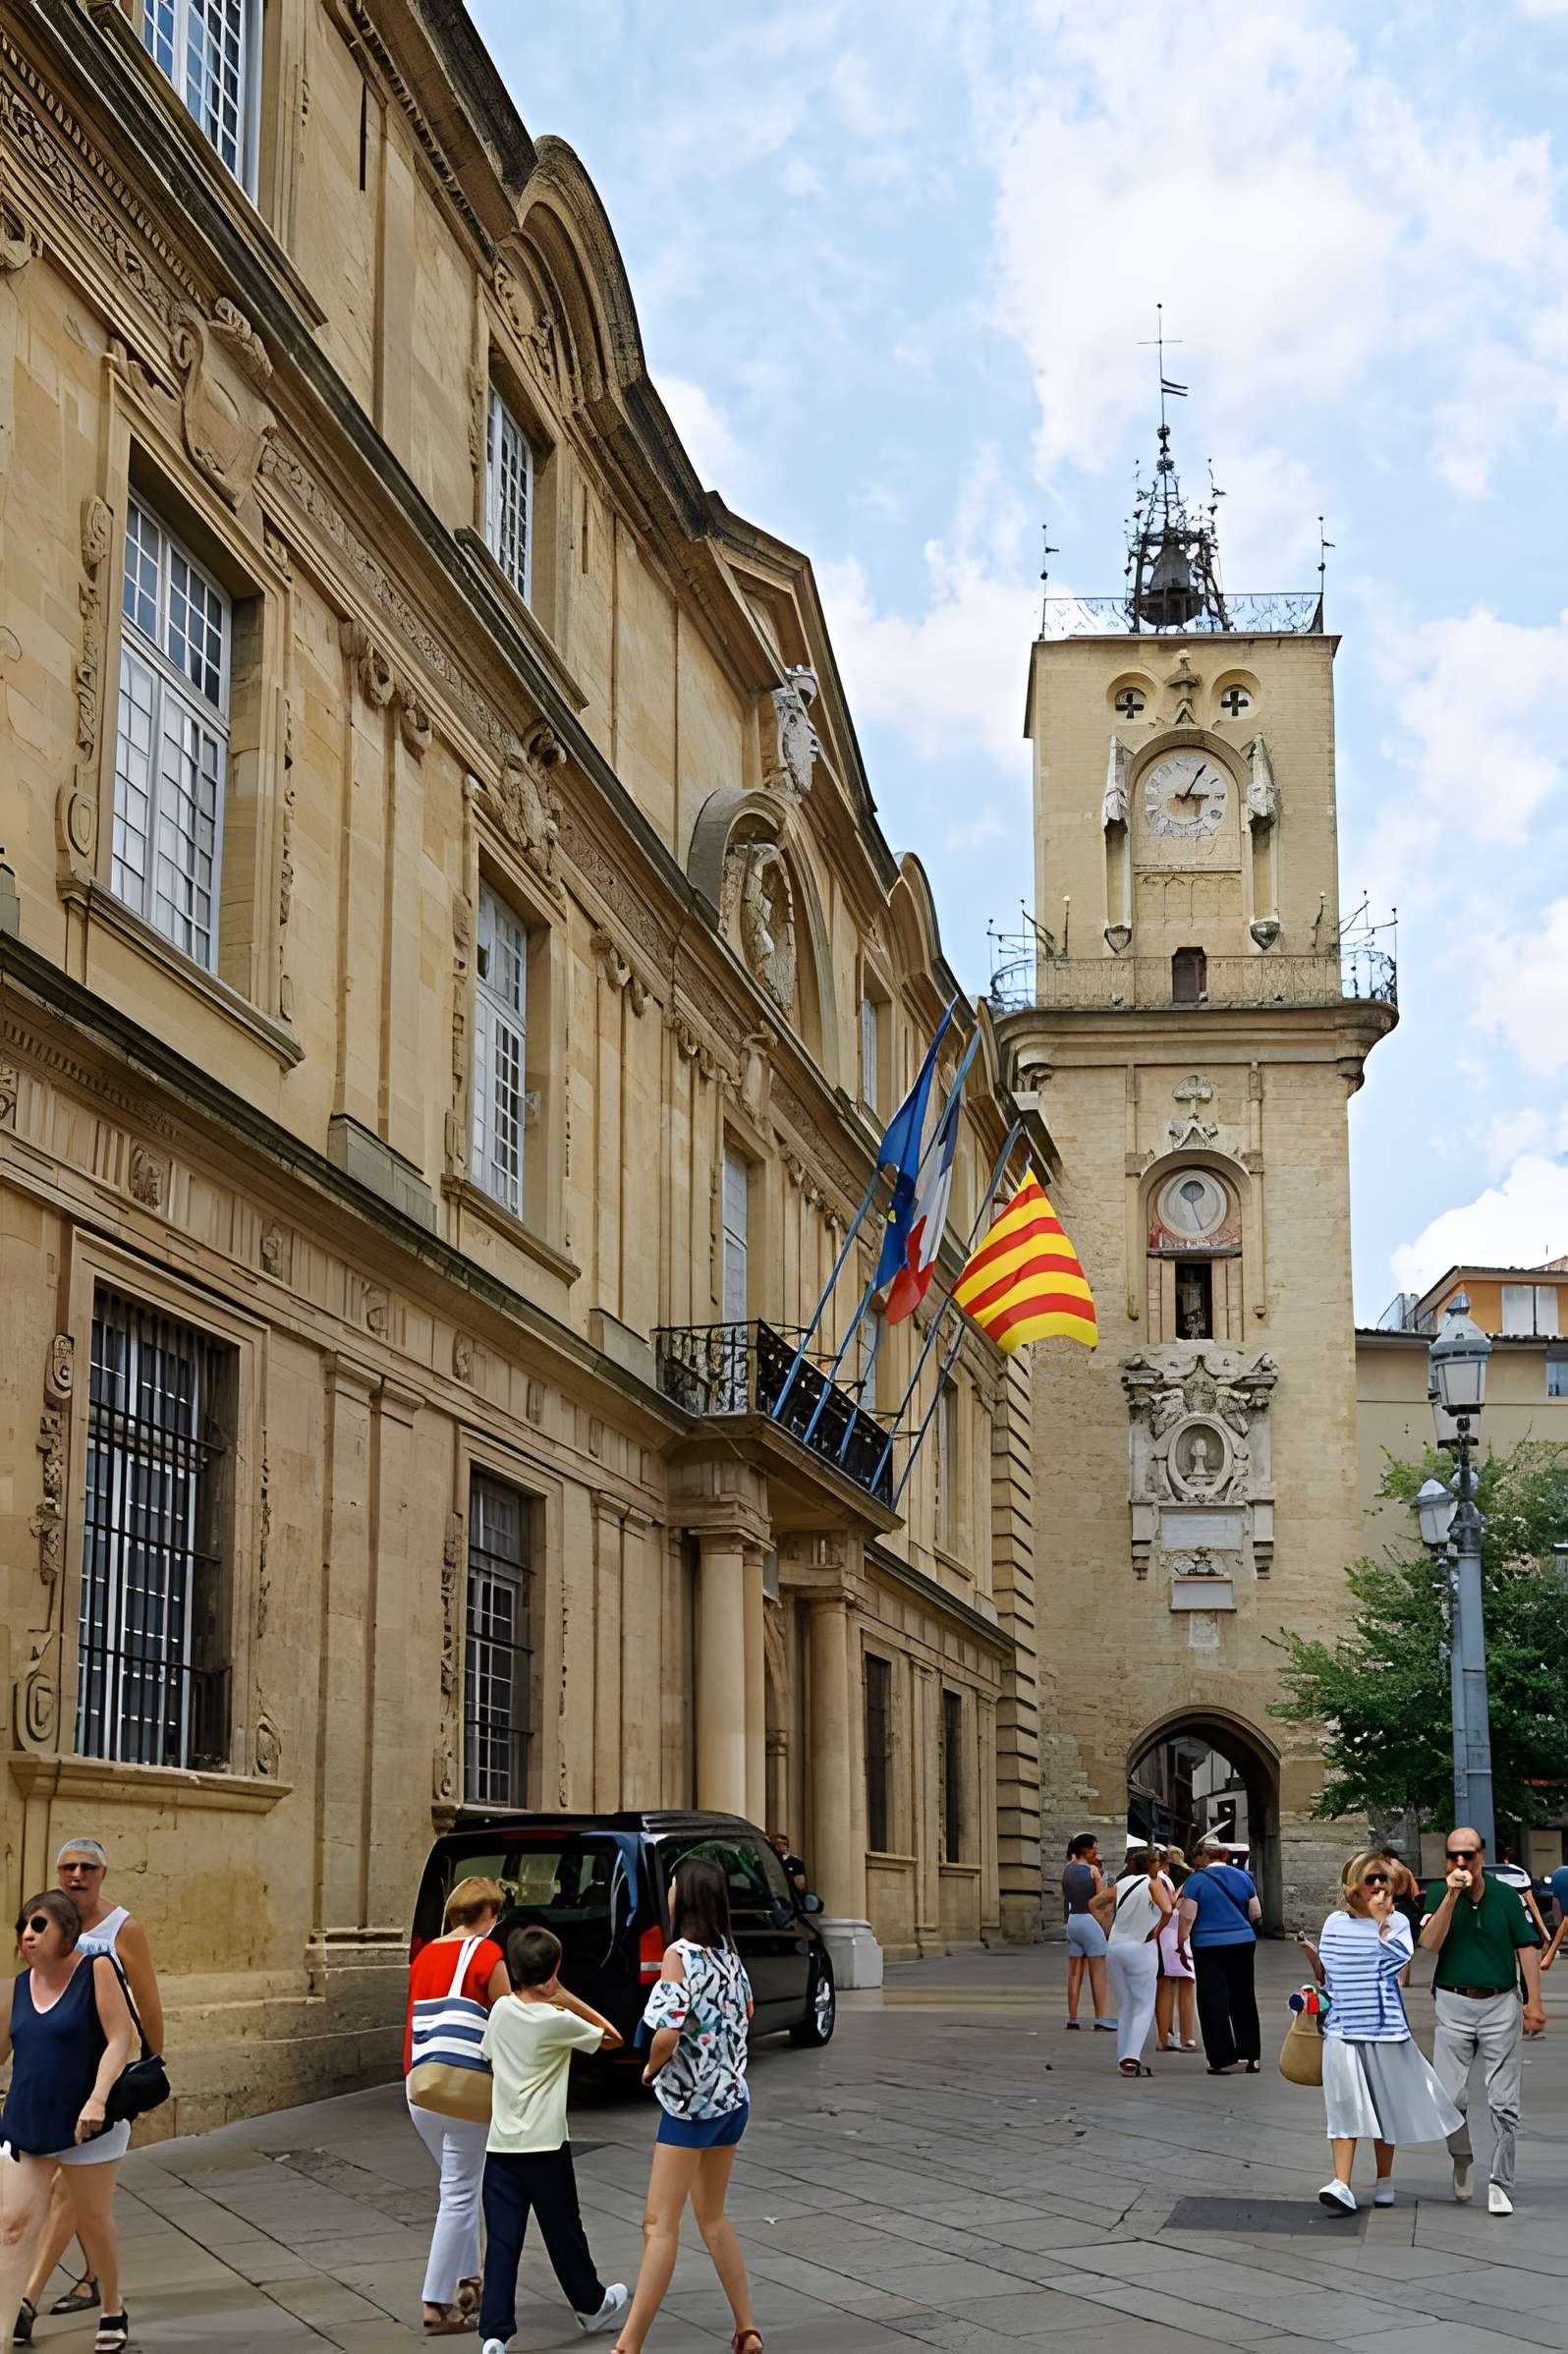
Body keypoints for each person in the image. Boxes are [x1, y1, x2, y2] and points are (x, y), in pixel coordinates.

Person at [611, 1857, 760, 2354]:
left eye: (673, 1887)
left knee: (659, 2224)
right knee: (713, 2217)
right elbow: (748, 2014)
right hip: (731, 2102)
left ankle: (628, 2345)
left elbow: (667, 2031)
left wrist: (651, 2069)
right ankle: (747, 2329)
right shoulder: (731, 1958)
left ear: (684, 1897)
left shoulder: (680, 1954)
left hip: (691, 2108)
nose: (669, 1893)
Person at [17, 1839, 163, 2338]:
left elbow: (145, 2001)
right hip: (57, 2084)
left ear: (102, 1874)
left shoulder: (123, 1929)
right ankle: (83, 2284)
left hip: (104, 2081)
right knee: (71, 2196)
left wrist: (150, 2068)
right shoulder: (48, 1927)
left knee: (70, 2192)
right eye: (68, 1866)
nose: (76, 1874)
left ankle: (35, 2298)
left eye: (87, 1867)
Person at [476, 1925, 626, 2353]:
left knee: (504, 2242)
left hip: (501, 2147)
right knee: (564, 2233)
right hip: (545, 2147)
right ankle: (592, 2305)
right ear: (555, 1969)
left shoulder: (501, 2011)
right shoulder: (556, 2021)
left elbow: (489, 2055)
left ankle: (494, 2336)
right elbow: (612, 2038)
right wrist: (565, 1997)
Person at [0, 1891, 134, 2354]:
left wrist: (97, 2100)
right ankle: (7, 2320)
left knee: (93, 2222)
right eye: (23, 1927)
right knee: (11, 2223)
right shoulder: (14, 1987)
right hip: (26, 2123)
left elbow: (121, 2038)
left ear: (67, 1932)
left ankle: (111, 2307)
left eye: (38, 1925)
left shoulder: (96, 1971)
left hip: (87, 2125)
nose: (27, 1935)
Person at [1297, 1853, 1461, 2214]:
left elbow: (1393, 1965)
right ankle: (1341, 2184)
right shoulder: (1335, 1923)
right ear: (1352, 1883)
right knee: (1343, 2107)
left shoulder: (1398, 1922)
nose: (1376, 1886)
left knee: (1384, 2107)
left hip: (1385, 2030)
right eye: (1369, 1879)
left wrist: (1380, 1925)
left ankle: (1385, 2179)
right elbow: (1332, 1973)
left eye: (1382, 1880)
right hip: (1341, 2030)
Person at [1421, 1825, 1545, 2215]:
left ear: (1481, 1857)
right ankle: (1462, 2157)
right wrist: (1452, 1895)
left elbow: (1526, 1947)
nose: (1461, 1862)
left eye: (1468, 1855)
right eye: (1453, 1856)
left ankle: (1500, 2182)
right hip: (1453, 2003)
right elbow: (1430, 1944)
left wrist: (1534, 2004)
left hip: (1499, 2003)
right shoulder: (1440, 1893)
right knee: (1450, 2098)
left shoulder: (1506, 1897)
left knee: (1504, 2102)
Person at [406, 1876, 510, 2335]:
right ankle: (436, 2301)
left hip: (421, 2086)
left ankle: (470, 2285)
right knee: (461, 2194)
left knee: (457, 2187)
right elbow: (508, 2017)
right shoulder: (487, 1954)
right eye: (496, 1915)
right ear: (487, 1915)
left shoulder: (426, 1954)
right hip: (466, 2088)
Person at [1177, 1838, 1261, 2075]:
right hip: (1243, 1942)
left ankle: (1221, 2058)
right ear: (1222, 1855)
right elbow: (1256, 1912)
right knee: (1243, 1997)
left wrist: (1181, 1941)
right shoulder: (1244, 1877)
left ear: (1204, 1857)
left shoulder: (1196, 1881)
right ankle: (1251, 2055)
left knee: (1213, 1999)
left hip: (1208, 1944)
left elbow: (1187, 1916)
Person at [1091, 1846, 1172, 2078]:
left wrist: (1106, 1927)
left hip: (1115, 1947)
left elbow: (1093, 1903)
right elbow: (1167, 1909)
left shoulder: (1122, 1884)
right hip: (1141, 1946)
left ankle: (1122, 2057)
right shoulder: (1153, 1883)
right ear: (1152, 1865)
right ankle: (1131, 2057)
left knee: (1125, 2004)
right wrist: (1158, 1930)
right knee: (1144, 2004)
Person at [1060, 1835, 1115, 2033]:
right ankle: (1101, 2017)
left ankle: (1072, 2017)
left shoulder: (1067, 1869)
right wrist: (1106, 1926)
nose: (1095, 1851)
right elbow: (1099, 1901)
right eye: (1094, 1847)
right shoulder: (1092, 1871)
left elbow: (1064, 1898)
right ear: (1087, 1849)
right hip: (1089, 1920)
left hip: (1074, 1920)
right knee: (1098, 1972)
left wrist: (1066, 1920)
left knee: (1074, 1973)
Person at [1154, 1855, 1199, 2052]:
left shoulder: (1158, 1881)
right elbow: (1173, 1909)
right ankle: (1183, 2036)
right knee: (1185, 1986)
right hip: (1174, 1936)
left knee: (1166, 1986)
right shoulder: (1167, 1882)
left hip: (1165, 1936)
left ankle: (1167, 2036)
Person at [768, 1833, 807, 1899]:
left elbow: (800, 1884)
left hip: (790, 1898)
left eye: (780, 1844)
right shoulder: (768, 1861)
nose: (776, 1847)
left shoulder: (796, 1862)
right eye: (775, 1844)